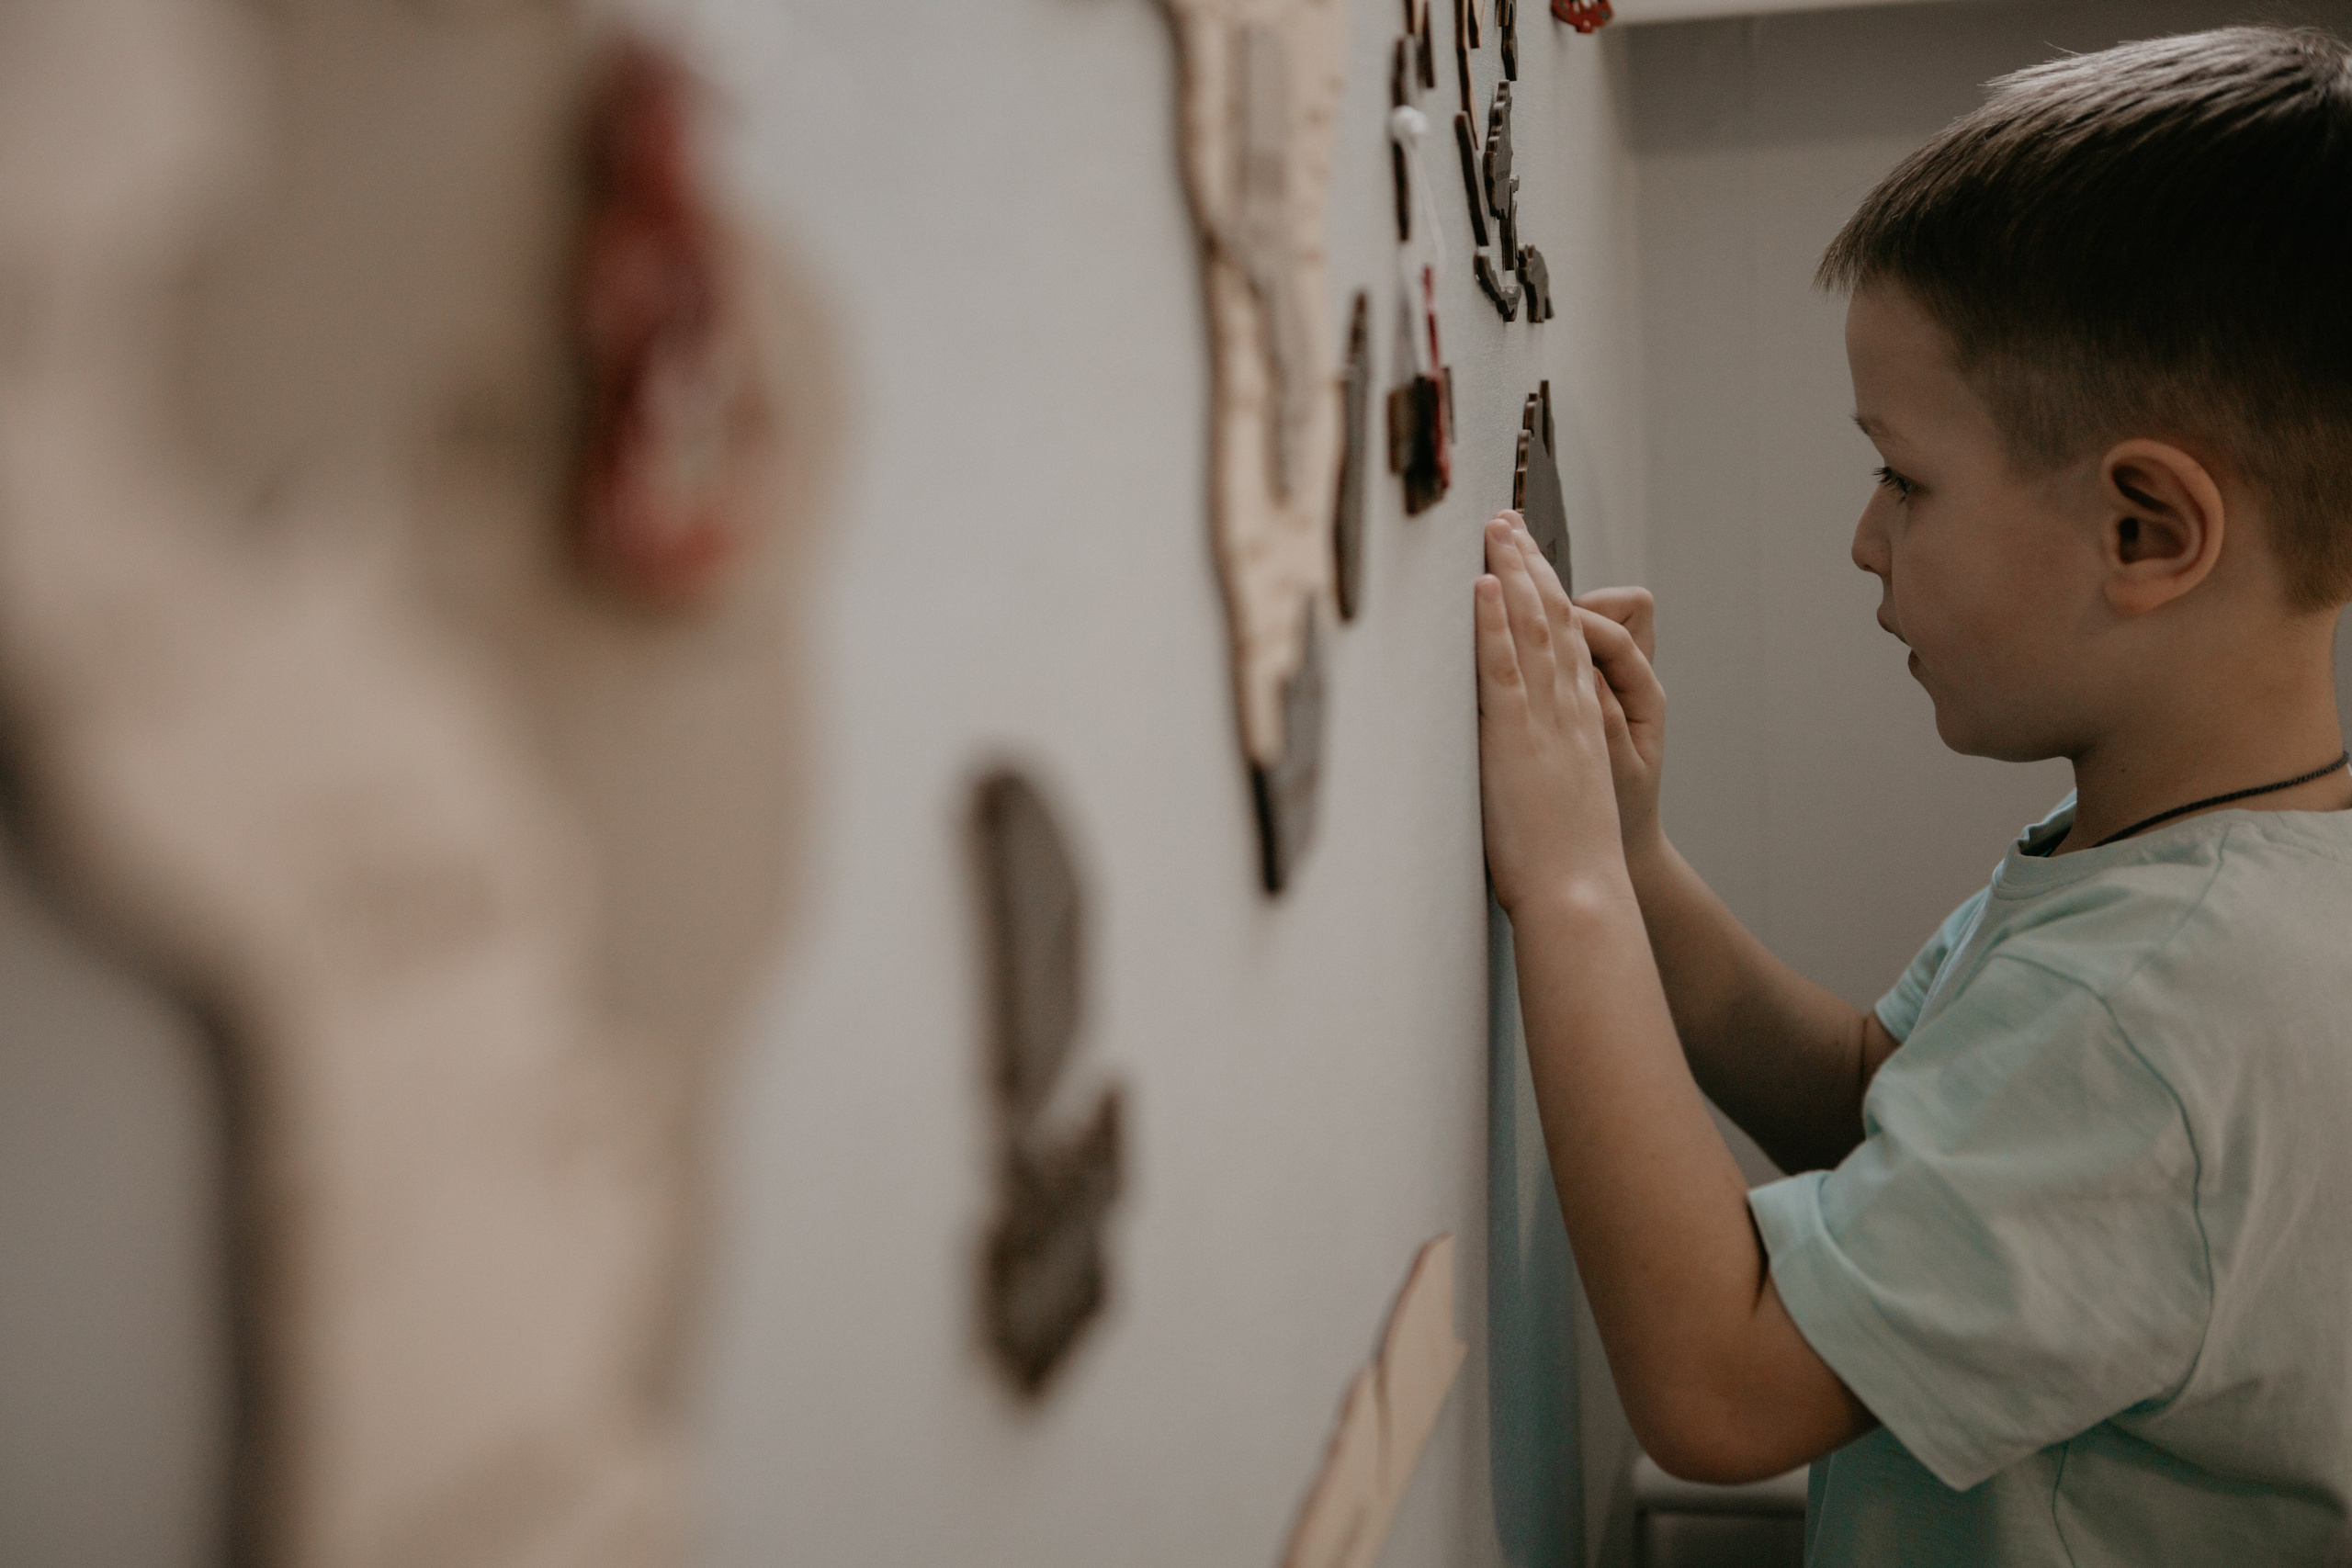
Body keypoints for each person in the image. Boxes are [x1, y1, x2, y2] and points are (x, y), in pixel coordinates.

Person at [1474, 26, 2352, 1565]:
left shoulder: (2168, 1008)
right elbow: (1882, 1097)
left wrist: (1571, 892)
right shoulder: (2177, 875)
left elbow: (1724, 1387)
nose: (1867, 542)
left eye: (1906, 478)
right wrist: (1638, 855)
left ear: (2146, 528)